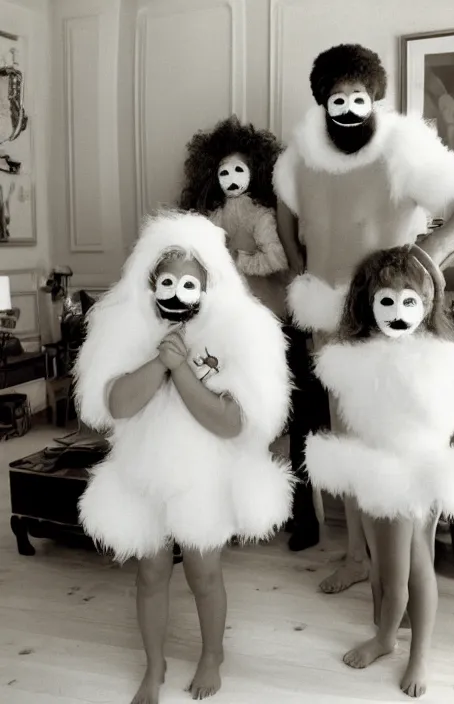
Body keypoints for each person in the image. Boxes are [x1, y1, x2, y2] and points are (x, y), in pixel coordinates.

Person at [273, 42, 454, 593]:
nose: (347, 107)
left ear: (374, 97)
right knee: (346, 442)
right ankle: (358, 556)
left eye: (357, 96)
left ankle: (407, 572)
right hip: (330, 320)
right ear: (322, 101)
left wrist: (429, 254)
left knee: (414, 436)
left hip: (392, 319)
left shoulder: (403, 147)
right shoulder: (299, 156)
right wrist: (303, 278)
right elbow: (287, 217)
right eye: (335, 97)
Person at [74, 211, 293, 703]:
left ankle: (212, 653)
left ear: (209, 286)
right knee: (150, 572)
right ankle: (154, 666)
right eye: (167, 281)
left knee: (203, 571)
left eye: (189, 282)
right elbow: (115, 405)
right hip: (143, 472)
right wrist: (158, 362)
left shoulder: (235, 334)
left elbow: (232, 422)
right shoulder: (127, 330)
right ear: (150, 284)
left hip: (203, 474)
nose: (176, 291)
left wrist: (183, 373)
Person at [306, 245, 454, 697]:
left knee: (404, 572)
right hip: (381, 473)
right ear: (368, 305)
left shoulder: (431, 363)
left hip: (411, 477)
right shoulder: (365, 359)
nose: (396, 312)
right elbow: (364, 416)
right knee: (400, 565)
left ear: (426, 305)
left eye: (408, 301)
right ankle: (393, 639)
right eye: (386, 301)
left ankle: (397, 645)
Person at [180, 116, 325, 551]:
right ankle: (247, 512)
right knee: (240, 419)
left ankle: (305, 517)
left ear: (255, 172)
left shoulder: (264, 216)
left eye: (239, 170)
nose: (231, 178)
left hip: (278, 326)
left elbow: (277, 258)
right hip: (233, 333)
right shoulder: (209, 220)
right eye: (224, 171)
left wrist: (234, 261)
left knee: (298, 422)